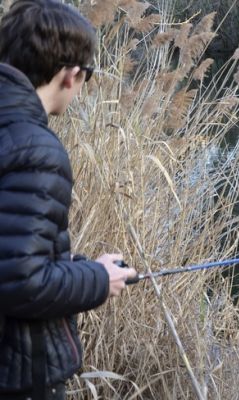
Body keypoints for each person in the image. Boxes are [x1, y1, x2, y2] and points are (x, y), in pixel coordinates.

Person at [0, 1, 137, 398]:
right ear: (70, 74)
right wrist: (98, 279)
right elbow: (20, 283)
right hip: (17, 377)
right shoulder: (36, 149)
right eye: (86, 76)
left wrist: (70, 265)